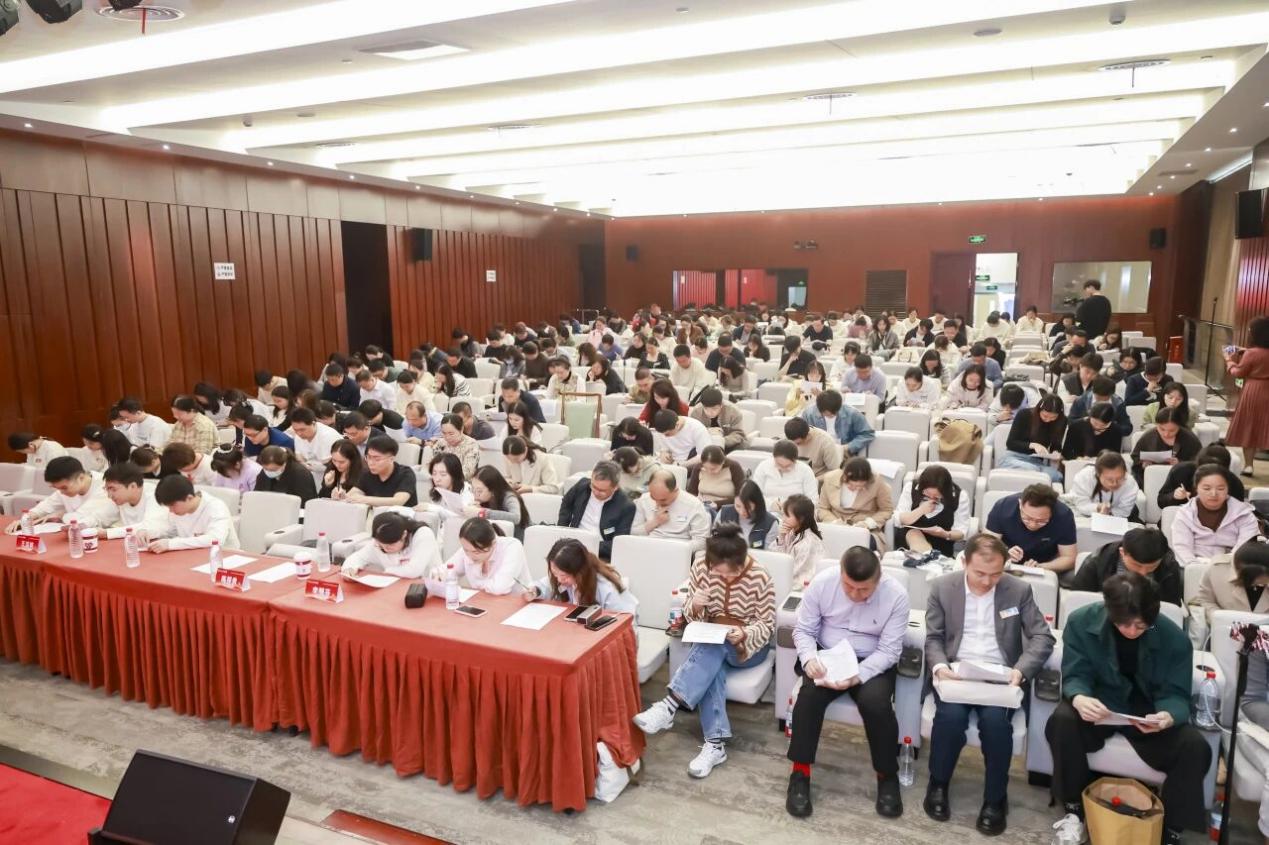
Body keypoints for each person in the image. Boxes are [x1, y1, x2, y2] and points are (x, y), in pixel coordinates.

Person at [1046, 573, 1210, 845]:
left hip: (1149, 710)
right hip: (1100, 703)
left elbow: (1176, 692)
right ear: (1109, 610)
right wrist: (1079, 697)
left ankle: (1170, 831)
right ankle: (1074, 810)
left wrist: (1168, 716)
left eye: (1141, 626)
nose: (1132, 631)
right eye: (1124, 624)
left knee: (1194, 747)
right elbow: (1076, 673)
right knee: (1062, 720)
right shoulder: (1081, 621)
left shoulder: (1173, 638)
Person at [923, 533, 1055, 835]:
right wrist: (940, 667)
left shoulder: (1018, 589)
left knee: (996, 724)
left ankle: (995, 797)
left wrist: (1020, 670)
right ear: (964, 562)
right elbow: (933, 637)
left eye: (995, 574)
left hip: (1000, 676)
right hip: (957, 672)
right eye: (979, 573)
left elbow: (1042, 636)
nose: (986, 581)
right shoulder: (943, 587)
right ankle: (938, 783)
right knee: (950, 719)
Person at [634, 523, 775, 778]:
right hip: (711, 638)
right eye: (718, 572)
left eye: (729, 574)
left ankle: (669, 705)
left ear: (740, 563)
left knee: (714, 646)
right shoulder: (701, 567)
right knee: (713, 665)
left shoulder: (760, 577)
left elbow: (767, 624)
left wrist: (744, 633)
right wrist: (695, 605)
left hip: (749, 646)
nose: (723, 577)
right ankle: (715, 745)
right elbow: (689, 614)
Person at [786, 547, 910, 819]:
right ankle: (800, 774)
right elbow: (804, 630)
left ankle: (887, 775)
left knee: (876, 705)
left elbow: (890, 651)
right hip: (827, 654)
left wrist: (858, 675)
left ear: (878, 579)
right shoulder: (823, 583)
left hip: (871, 659)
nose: (855, 594)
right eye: (848, 586)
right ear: (841, 573)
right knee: (808, 699)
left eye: (863, 590)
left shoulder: (896, 595)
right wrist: (809, 659)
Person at [1171, 464, 1259, 567]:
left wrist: (1226, 565)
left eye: (1220, 489)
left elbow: (1244, 548)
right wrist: (1194, 567)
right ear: (1196, 488)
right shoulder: (1185, 513)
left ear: (1227, 488)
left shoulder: (1244, 514)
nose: (1213, 494)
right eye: (1207, 488)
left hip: (1232, 567)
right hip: (1193, 566)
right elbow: (1182, 547)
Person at [1069, 526, 1181, 606]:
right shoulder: (1098, 561)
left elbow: (1170, 607)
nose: (1143, 573)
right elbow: (1078, 600)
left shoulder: (1169, 567)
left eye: (1151, 567)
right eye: (1137, 565)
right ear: (1122, 552)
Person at [524, 538, 638, 615]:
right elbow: (544, 586)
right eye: (554, 574)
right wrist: (535, 590)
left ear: (579, 571)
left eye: (564, 576)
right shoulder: (561, 577)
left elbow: (625, 621)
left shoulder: (606, 587)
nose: (559, 579)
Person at [985, 483, 1077, 573]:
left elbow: (1069, 558)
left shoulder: (1064, 515)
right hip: (1006, 562)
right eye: (1027, 518)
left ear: (1053, 511)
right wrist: (1004, 553)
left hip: (1047, 564)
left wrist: (1041, 567)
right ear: (1020, 504)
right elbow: (986, 546)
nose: (1033, 525)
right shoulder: (1003, 507)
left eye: (1041, 521)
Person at [3, 456, 107, 534]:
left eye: (64, 488)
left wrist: (61, 515)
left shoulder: (104, 486)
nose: (61, 492)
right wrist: (25, 519)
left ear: (81, 478)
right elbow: (45, 506)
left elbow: (79, 519)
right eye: (56, 488)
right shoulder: (65, 487)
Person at [428, 518, 530, 595]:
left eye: (476, 552)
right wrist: (438, 575)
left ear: (493, 544)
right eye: (465, 550)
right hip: (483, 603)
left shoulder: (512, 547)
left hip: (516, 606)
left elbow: (500, 588)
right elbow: (446, 569)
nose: (470, 556)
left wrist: (476, 586)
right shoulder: (469, 549)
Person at [557, 462, 636, 559]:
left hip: (600, 552)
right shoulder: (583, 485)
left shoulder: (626, 506)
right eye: (594, 486)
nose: (596, 492)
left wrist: (587, 546)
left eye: (602, 491)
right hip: (572, 543)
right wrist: (562, 529)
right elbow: (566, 503)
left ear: (615, 487)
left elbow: (618, 543)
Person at [143, 474, 241, 552]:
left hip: (225, 556)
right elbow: (169, 530)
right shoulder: (178, 510)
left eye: (172, 506)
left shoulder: (216, 507)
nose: (171, 511)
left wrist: (171, 544)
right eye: (168, 507)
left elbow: (215, 539)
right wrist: (149, 533)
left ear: (189, 498)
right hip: (192, 555)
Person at [1224, 315, 1269, 477]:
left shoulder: (1251, 353)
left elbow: (1239, 373)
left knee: (1249, 426)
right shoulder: (1252, 352)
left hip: (1254, 391)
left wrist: (1229, 361)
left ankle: (1249, 466)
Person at [817, 456, 894, 550]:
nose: (854, 489)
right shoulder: (830, 478)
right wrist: (834, 522)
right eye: (850, 485)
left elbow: (886, 510)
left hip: (864, 528)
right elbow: (822, 508)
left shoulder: (877, 482)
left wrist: (868, 523)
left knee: (860, 546)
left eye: (859, 487)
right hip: (834, 524)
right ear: (844, 476)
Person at [895, 464, 968, 557]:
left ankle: (927, 558)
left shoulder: (959, 496)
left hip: (942, 542)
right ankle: (926, 558)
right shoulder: (911, 487)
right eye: (927, 494)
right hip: (909, 537)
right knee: (914, 534)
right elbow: (900, 519)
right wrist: (921, 510)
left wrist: (945, 534)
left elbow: (961, 533)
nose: (931, 499)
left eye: (937, 497)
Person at [339, 512, 441, 579]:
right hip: (394, 586)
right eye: (380, 545)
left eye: (390, 545)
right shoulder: (379, 542)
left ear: (404, 534)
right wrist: (349, 569)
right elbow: (358, 557)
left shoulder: (423, 534)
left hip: (426, 587)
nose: (385, 549)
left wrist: (386, 572)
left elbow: (414, 570)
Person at [632, 468, 710, 552]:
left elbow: (701, 542)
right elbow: (633, 533)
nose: (657, 504)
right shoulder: (644, 500)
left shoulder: (694, 505)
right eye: (653, 497)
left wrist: (674, 548)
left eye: (663, 500)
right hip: (648, 548)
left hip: (679, 550)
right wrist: (655, 522)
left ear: (676, 490)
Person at [1156, 443, 1245, 510]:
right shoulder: (1181, 471)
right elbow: (1161, 501)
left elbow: (1238, 513)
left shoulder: (1234, 484)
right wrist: (1174, 497)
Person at [999, 394, 1066, 482]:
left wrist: (1056, 453)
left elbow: (1056, 445)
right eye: (1045, 416)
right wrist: (1033, 445)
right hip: (1014, 457)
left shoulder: (1061, 421)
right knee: (1033, 470)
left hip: (1036, 462)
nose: (1048, 420)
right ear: (1039, 409)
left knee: (1057, 476)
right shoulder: (1024, 415)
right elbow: (1011, 443)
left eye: (1053, 417)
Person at [1130, 406, 1201, 486]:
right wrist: (1143, 463)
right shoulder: (1149, 436)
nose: (1166, 434)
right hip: (1152, 478)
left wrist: (1180, 463)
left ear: (1179, 426)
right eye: (1162, 429)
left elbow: (1200, 462)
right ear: (1156, 424)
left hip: (1181, 481)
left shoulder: (1190, 439)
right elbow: (1135, 456)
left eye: (1172, 430)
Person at [344, 436, 417, 508]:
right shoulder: (366, 473)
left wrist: (364, 499)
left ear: (391, 459)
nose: (371, 463)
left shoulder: (405, 473)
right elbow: (353, 494)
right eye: (368, 457)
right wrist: (343, 496)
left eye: (377, 459)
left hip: (400, 515)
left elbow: (398, 501)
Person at [1068, 451, 1141, 521]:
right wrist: (1098, 507)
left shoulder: (1130, 483)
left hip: (1117, 518)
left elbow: (1124, 511)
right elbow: (1082, 504)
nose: (1114, 483)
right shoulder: (1084, 477)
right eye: (1109, 479)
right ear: (1098, 474)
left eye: (1119, 478)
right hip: (1084, 514)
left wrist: (1109, 512)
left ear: (1125, 473)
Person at [771, 494, 826, 584]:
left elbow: (794, 573)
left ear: (801, 519)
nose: (783, 519)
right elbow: (774, 558)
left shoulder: (808, 542)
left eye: (787, 515)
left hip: (801, 585)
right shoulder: (790, 531)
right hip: (787, 580)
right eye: (783, 514)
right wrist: (781, 538)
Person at [801, 391, 875, 456]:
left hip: (843, 451)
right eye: (828, 414)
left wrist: (848, 447)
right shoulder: (809, 414)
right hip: (818, 452)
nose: (832, 415)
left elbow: (867, 434)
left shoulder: (852, 414)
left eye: (835, 412)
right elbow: (802, 435)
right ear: (819, 409)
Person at [466, 465, 528, 540]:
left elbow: (516, 518)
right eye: (473, 489)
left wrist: (483, 513)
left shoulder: (509, 497)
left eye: (479, 491)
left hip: (524, 538)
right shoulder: (485, 500)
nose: (475, 495)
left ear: (493, 490)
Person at [717, 481, 781, 549]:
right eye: (738, 506)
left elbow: (769, 552)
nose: (742, 512)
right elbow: (714, 542)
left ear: (757, 503)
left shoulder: (770, 523)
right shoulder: (724, 513)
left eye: (747, 507)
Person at [751, 440, 818, 503]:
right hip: (766, 509)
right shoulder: (763, 467)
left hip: (796, 510)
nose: (783, 469)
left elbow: (813, 500)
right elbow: (754, 496)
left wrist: (793, 508)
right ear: (773, 458)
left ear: (795, 461)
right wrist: (770, 504)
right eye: (779, 464)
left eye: (788, 466)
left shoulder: (805, 471)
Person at [1068, 376, 1132, 437]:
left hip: (1108, 439)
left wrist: (1110, 426)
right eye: (1098, 398)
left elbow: (1127, 428)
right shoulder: (1081, 401)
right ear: (1093, 391)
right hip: (1084, 437)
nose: (1101, 402)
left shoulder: (1118, 403)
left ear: (1112, 394)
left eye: (1105, 399)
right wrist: (1085, 421)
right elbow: (1070, 422)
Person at [253, 445, 317, 503]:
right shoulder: (264, 471)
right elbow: (257, 494)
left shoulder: (301, 474)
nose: (269, 472)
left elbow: (305, 501)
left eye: (273, 470)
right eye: (266, 469)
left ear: (284, 464)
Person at [689, 388, 747, 452]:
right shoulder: (696, 412)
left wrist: (720, 441)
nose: (710, 412)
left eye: (714, 409)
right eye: (706, 409)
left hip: (728, 445)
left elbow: (739, 434)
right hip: (704, 445)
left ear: (721, 405)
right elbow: (692, 434)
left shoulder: (733, 411)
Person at [289, 408, 342, 478]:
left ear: (313, 424)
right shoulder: (298, 436)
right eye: (296, 430)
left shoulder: (328, 436)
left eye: (302, 429)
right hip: (310, 474)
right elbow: (299, 457)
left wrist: (307, 465)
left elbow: (331, 465)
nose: (299, 433)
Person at [430, 413, 480, 479]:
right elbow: (432, 466)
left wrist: (446, 478)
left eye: (451, 434)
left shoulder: (471, 444)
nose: (447, 437)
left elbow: (467, 473)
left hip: (461, 482)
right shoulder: (440, 443)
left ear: (461, 430)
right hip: (439, 480)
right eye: (444, 433)